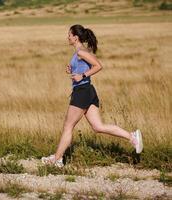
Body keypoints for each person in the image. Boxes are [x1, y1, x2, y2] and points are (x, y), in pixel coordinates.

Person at [41, 24, 143, 168]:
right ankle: (132, 137)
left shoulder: (81, 52)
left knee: (68, 126)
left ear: (75, 37)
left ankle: (57, 159)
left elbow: (98, 66)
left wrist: (82, 75)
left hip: (82, 92)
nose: (67, 37)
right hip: (88, 91)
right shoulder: (78, 52)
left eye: (69, 35)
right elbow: (83, 67)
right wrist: (71, 69)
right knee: (98, 126)